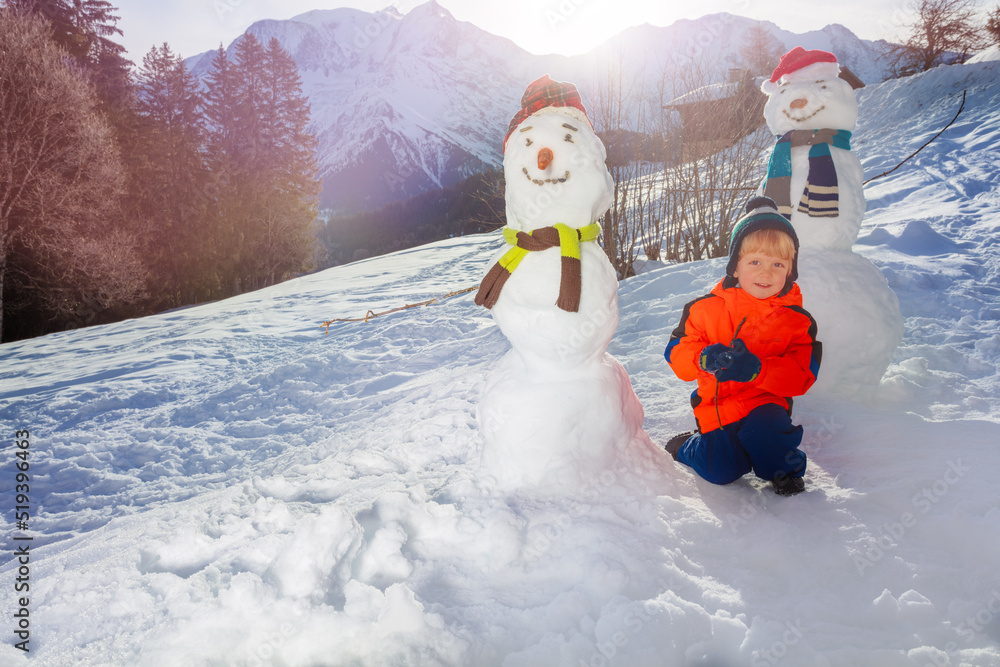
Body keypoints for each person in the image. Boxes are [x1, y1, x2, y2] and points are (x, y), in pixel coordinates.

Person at [663, 197, 822, 495]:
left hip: (766, 405)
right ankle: (689, 447)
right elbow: (676, 353)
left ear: (790, 271)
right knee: (720, 471)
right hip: (718, 409)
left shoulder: (797, 321)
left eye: (778, 264)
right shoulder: (704, 310)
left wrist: (758, 370)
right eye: (755, 262)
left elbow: (802, 375)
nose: (766, 273)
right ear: (735, 266)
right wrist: (702, 358)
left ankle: (783, 470)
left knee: (769, 434)